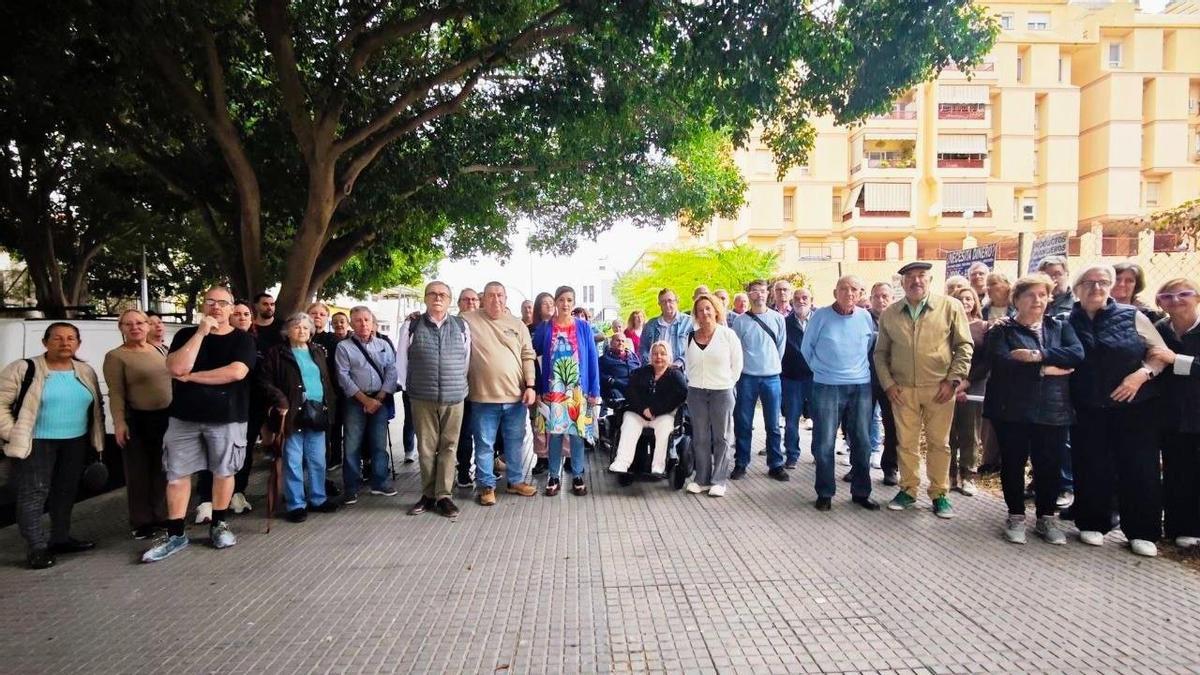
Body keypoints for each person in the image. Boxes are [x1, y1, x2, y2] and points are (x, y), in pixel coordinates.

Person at [142, 286, 257, 563]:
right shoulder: (185, 335)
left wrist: (192, 378)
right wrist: (201, 333)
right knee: (177, 475)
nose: (216, 307)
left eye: (222, 303)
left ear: (232, 308)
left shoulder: (243, 339)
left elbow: (235, 372)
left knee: (223, 471)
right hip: (184, 418)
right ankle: (175, 533)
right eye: (210, 302)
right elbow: (176, 368)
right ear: (203, 307)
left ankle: (219, 523)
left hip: (227, 417)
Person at [967, 274, 1083, 545]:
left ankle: (1046, 517)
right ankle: (1016, 515)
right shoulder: (1002, 330)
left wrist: (1038, 357)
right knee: (1013, 463)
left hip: (1053, 408)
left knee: (1049, 465)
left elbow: (1077, 354)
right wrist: (1050, 369)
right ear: (1016, 299)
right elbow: (1004, 364)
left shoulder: (1059, 326)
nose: (1038, 300)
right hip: (1012, 409)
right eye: (1030, 295)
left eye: (1043, 295)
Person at [1068, 264, 1171, 557]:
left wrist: (1141, 375)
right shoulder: (1066, 320)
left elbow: (1160, 354)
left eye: (1102, 282)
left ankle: (1141, 531)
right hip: (1088, 407)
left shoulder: (1132, 316)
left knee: (1139, 468)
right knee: (1091, 464)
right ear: (1077, 288)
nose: (1096, 288)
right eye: (1088, 282)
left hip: (1135, 406)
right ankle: (1093, 522)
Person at [0, 323, 105, 569]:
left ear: (78, 344)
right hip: (37, 442)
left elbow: (96, 406)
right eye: (57, 338)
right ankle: (36, 547)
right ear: (45, 342)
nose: (64, 342)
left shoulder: (84, 370)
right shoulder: (24, 368)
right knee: (34, 493)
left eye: (70, 338)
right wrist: (13, 433)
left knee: (65, 491)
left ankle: (60, 538)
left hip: (75, 440)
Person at [874, 262, 974, 518]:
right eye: (910, 277)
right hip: (903, 390)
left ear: (930, 280)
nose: (916, 281)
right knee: (906, 444)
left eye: (921, 276)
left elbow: (964, 346)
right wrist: (889, 384)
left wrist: (953, 381)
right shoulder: (890, 313)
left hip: (939, 388)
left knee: (939, 443)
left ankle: (940, 494)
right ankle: (908, 490)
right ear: (903, 283)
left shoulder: (950, 307)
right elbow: (880, 353)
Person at [801, 276, 879, 511]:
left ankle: (861, 493)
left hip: (860, 385)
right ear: (835, 292)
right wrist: (822, 370)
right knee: (824, 441)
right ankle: (825, 493)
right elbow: (807, 349)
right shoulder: (821, 317)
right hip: (827, 385)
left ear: (860, 292)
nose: (849, 293)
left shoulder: (865, 317)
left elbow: (867, 347)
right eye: (844, 289)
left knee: (862, 441)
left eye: (854, 289)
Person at [395, 281, 470, 519]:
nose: (438, 298)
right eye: (433, 294)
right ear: (426, 298)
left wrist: (458, 384)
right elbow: (401, 360)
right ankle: (427, 495)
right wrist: (409, 388)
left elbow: (466, 360)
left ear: (449, 300)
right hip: (422, 396)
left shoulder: (461, 325)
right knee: (426, 448)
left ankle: (444, 495)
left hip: (454, 396)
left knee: (449, 447)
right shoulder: (412, 324)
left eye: (443, 295)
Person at [257, 313, 340, 522]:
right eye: (297, 327)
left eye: (305, 327)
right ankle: (296, 504)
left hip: (317, 411)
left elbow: (326, 380)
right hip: (292, 412)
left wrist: (330, 405)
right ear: (287, 330)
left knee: (317, 459)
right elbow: (264, 381)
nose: (301, 331)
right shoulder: (277, 353)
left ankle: (318, 499)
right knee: (293, 460)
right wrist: (280, 400)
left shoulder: (318, 351)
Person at [462, 282, 539, 505]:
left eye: (500, 295)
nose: (496, 299)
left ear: (506, 299)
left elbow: (528, 355)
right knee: (484, 444)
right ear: (483, 298)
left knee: (515, 442)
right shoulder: (468, 320)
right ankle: (486, 486)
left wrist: (531, 386)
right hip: (483, 398)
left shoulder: (518, 325)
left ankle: (515, 481)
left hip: (516, 397)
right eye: (491, 295)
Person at [104, 309, 171, 540]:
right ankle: (142, 522)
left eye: (140, 323)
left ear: (148, 326)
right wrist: (120, 422)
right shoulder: (116, 356)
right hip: (138, 420)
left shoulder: (159, 349)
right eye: (129, 324)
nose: (135, 327)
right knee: (138, 472)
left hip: (165, 418)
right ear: (121, 328)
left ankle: (163, 516)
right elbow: (116, 393)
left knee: (163, 470)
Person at [533, 286, 601, 496]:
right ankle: (554, 475)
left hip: (578, 389)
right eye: (561, 300)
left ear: (573, 303)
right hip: (553, 389)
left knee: (577, 434)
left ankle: (578, 474)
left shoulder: (583, 327)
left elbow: (592, 359)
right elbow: (533, 358)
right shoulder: (545, 327)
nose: (565, 304)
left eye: (569, 300)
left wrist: (594, 390)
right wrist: (537, 387)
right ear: (555, 302)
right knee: (555, 433)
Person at [1153, 278, 1200, 549]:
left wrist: (1176, 361)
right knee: (1176, 470)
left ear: (1196, 298)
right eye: (1168, 296)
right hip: (1171, 414)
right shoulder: (1161, 330)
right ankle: (1176, 527)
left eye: (1184, 294)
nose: (1176, 301)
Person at [335, 306, 399, 503]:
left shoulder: (383, 344)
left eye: (366, 320)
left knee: (379, 445)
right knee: (352, 445)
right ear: (352, 324)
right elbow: (342, 376)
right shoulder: (344, 347)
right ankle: (351, 487)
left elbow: (392, 370)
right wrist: (365, 400)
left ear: (372, 323)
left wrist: (378, 398)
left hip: (379, 400)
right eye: (358, 320)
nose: (363, 324)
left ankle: (379, 482)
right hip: (355, 401)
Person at [684, 294, 743, 496]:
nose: (705, 313)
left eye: (708, 308)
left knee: (722, 437)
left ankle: (718, 480)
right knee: (700, 437)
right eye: (700, 310)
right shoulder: (691, 336)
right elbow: (688, 365)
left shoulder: (728, 335)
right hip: (696, 392)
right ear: (696, 315)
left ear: (716, 311)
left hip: (722, 391)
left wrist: (727, 383)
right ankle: (701, 479)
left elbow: (737, 365)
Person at [728, 279, 786, 480]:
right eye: (755, 291)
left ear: (768, 293)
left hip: (772, 377)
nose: (760, 294)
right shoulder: (740, 321)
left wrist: (771, 365)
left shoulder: (778, 319)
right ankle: (741, 462)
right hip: (747, 378)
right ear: (749, 294)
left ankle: (776, 463)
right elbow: (735, 350)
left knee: (773, 424)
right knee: (743, 422)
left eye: (763, 291)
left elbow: (780, 347)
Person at [609, 341, 687, 476]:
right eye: (655, 354)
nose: (659, 357)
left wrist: (655, 410)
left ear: (669, 357)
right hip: (640, 413)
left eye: (663, 354)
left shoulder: (675, 375)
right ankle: (621, 463)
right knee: (628, 421)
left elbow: (679, 396)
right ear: (650, 357)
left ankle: (658, 466)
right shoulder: (640, 373)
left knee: (665, 427)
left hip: (663, 415)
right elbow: (630, 392)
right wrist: (643, 409)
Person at [948, 287, 987, 497]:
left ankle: (968, 476)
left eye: (969, 298)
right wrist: (954, 383)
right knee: (948, 432)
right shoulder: (946, 325)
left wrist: (967, 382)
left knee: (970, 433)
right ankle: (950, 474)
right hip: (948, 386)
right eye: (960, 299)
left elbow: (986, 361)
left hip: (974, 385)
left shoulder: (983, 327)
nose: (965, 302)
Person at [308, 302, 345, 474]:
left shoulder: (333, 340)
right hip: (306, 394)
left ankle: (334, 458)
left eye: (322, 314)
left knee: (333, 428)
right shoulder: (300, 338)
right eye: (313, 313)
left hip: (330, 393)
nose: (317, 316)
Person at [868, 282, 898, 483]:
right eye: (876, 296)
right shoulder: (860, 318)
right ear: (870, 299)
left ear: (892, 298)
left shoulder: (899, 318)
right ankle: (858, 467)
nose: (880, 300)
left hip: (892, 381)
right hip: (866, 380)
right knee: (860, 426)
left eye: (885, 296)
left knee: (892, 426)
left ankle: (890, 468)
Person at [781, 287, 814, 467]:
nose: (801, 301)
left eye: (804, 297)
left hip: (815, 378)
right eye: (797, 298)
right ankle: (792, 455)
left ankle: (819, 454)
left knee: (819, 418)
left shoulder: (818, 320)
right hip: (791, 378)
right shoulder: (784, 323)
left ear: (811, 299)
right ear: (792, 301)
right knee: (791, 419)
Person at [641, 289, 694, 367]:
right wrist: (650, 364)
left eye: (670, 301)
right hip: (657, 372)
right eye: (663, 302)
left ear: (677, 301)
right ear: (659, 304)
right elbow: (643, 348)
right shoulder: (650, 325)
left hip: (683, 372)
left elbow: (693, 348)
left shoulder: (689, 322)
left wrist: (678, 364)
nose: (667, 304)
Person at [599, 333, 641, 401]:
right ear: (611, 343)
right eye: (618, 340)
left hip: (634, 387)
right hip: (617, 388)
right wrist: (613, 381)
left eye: (623, 341)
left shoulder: (633, 357)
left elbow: (640, 369)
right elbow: (600, 375)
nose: (620, 343)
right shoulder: (605, 359)